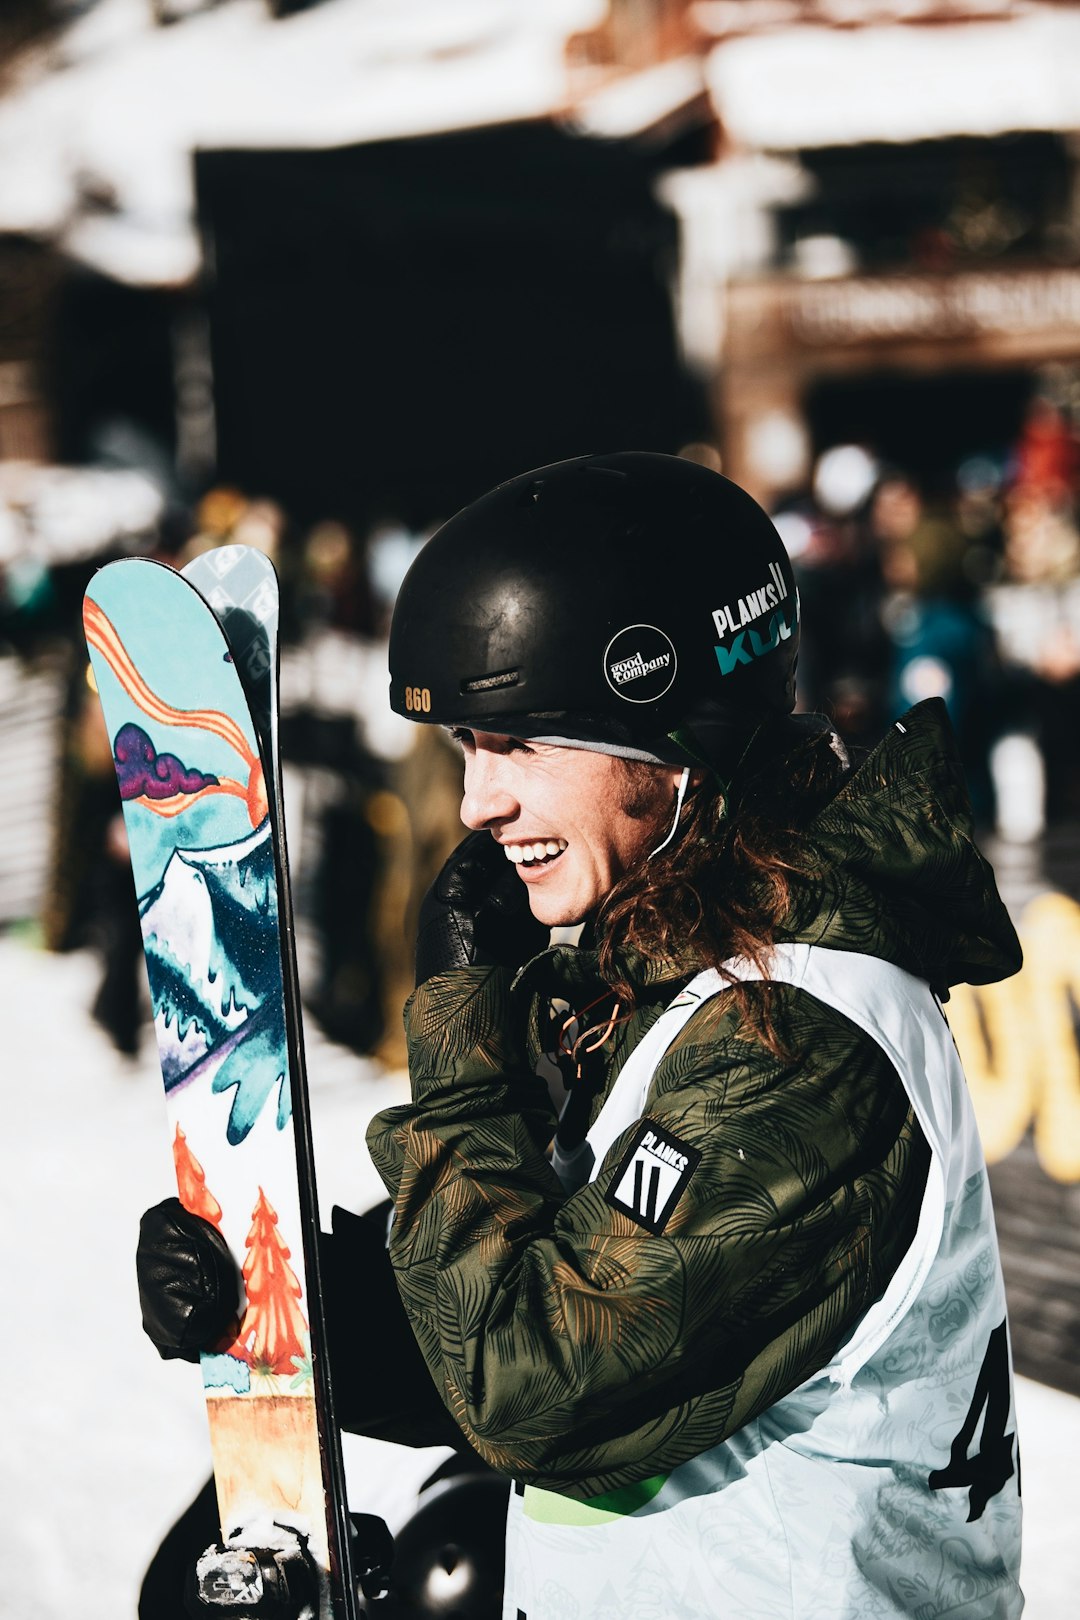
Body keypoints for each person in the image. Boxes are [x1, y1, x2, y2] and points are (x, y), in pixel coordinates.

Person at [137, 452, 1024, 1618]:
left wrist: (465, 1058)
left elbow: (532, 1389)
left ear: (676, 737)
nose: (477, 804)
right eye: (466, 748)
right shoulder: (671, 982)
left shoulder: (791, 1041)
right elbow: (551, 1316)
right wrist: (316, 1314)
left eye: (522, 744)